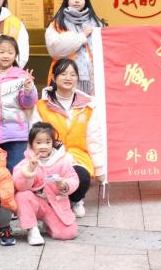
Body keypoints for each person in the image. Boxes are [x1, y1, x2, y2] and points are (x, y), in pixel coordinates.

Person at [35, 59, 105, 219]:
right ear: (54, 77)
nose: (68, 78)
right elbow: (34, 137)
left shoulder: (88, 106)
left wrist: (99, 168)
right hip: (50, 158)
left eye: (73, 74)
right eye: (63, 74)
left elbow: (94, 138)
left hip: (78, 157)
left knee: (82, 177)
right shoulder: (41, 105)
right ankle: (55, 200)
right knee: (49, 179)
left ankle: (76, 200)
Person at [12, 121, 80, 246]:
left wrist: (64, 185)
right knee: (22, 195)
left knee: (68, 233)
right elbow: (19, 185)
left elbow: (73, 178)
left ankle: (49, 225)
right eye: (38, 142)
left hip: (54, 205)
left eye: (47, 142)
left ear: (53, 143)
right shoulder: (25, 162)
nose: (43, 146)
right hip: (34, 203)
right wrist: (30, 170)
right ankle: (32, 229)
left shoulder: (61, 162)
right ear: (31, 144)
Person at [0, 35, 38, 171]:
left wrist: (28, 89)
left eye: (10, 52)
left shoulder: (22, 76)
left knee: (16, 170)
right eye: (2, 52)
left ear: (16, 55)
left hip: (17, 134)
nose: (6, 56)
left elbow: (28, 104)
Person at [45, 0, 106, 96]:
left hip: (93, 77)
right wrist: (82, 36)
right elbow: (54, 49)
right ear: (67, 0)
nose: (77, 0)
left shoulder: (97, 24)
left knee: (91, 105)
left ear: (86, 1)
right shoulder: (57, 23)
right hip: (66, 76)